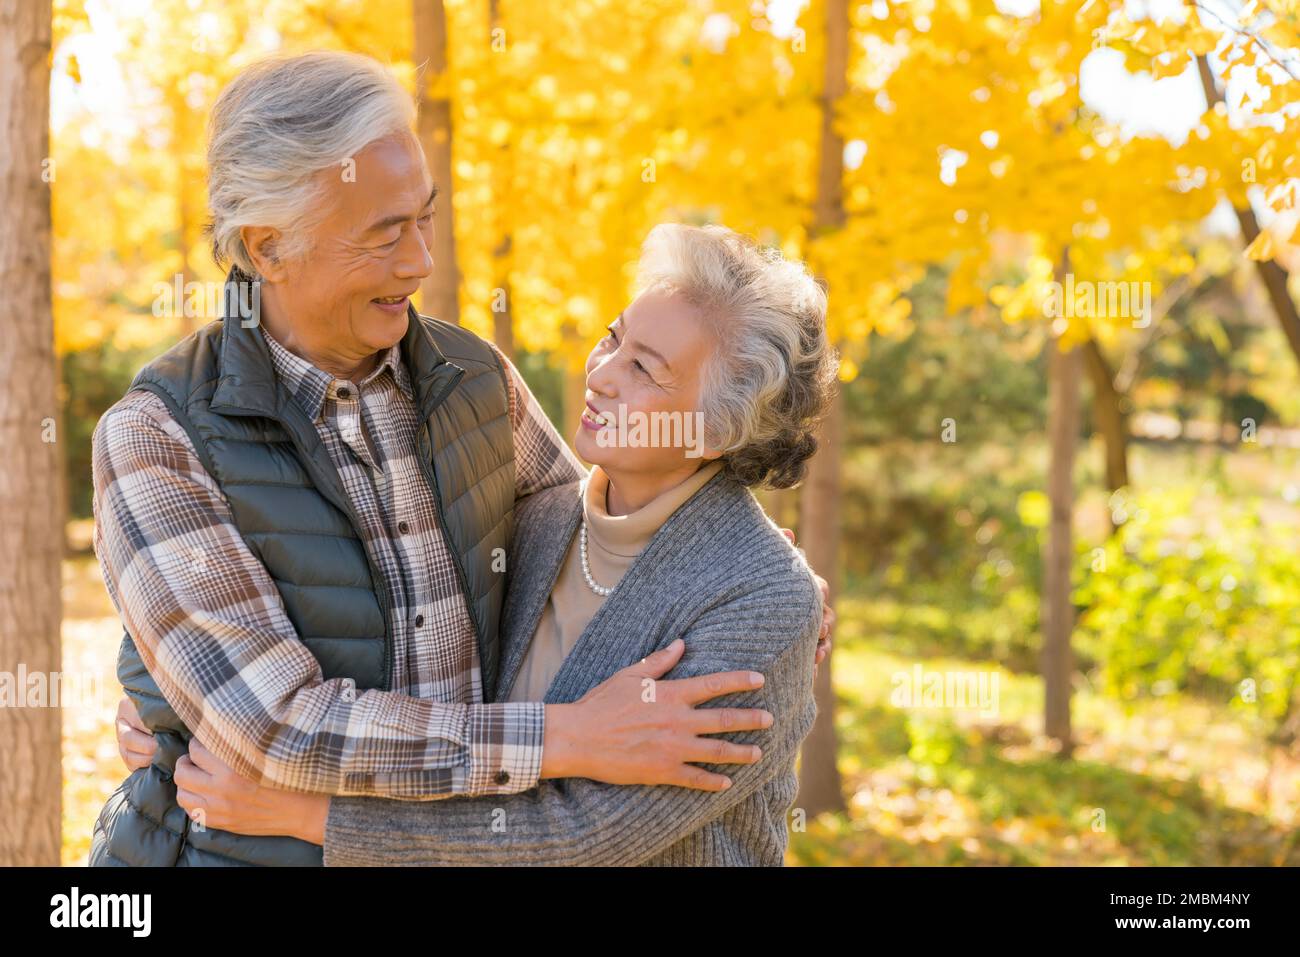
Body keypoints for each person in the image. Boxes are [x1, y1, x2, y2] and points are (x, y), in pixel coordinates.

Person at [92, 51, 832, 867]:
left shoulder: (476, 381)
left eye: (424, 217)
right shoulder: (156, 438)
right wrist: (560, 739)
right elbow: (274, 727)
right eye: (383, 235)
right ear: (268, 248)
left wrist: (781, 588)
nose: (420, 262)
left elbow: (612, 514)